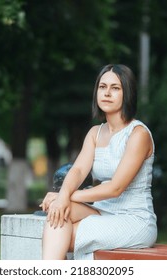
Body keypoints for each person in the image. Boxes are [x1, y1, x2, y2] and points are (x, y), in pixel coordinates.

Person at [40, 64, 157, 260]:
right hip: (104, 211)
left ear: (127, 93)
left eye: (115, 88)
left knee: (61, 233)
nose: (107, 93)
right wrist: (62, 198)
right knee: (58, 214)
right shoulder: (95, 133)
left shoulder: (138, 134)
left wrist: (66, 196)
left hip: (135, 220)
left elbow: (115, 188)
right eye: (102, 87)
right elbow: (77, 171)